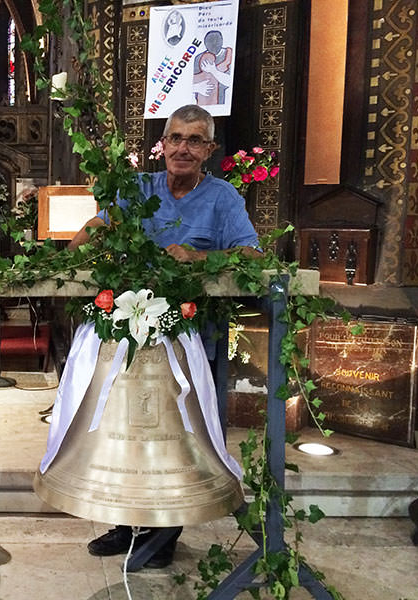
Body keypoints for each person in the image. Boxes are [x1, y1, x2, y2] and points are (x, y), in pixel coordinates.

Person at [67, 104, 260, 568]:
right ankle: (125, 521)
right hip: (130, 344)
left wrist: (197, 261)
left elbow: (252, 255)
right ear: (163, 144)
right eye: (175, 138)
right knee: (126, 431)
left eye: (195, 140)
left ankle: (165, 527)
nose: (182, 148)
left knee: (176, 436)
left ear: (209, 150)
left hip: (190, 338)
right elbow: (95, 230)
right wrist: (68, 258)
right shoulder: (138, 189)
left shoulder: (223, 198)